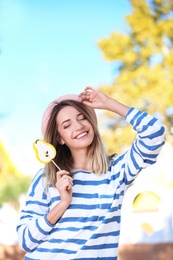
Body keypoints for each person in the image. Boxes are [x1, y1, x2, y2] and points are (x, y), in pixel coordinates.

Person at [16, 86, 165, 260]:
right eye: (67, 125)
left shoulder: (117, 171)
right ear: (60, 138)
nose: (79, 126)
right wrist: (63, 204)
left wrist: (108, 103)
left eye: (82, 118)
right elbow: (25, 240)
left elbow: (154, 133)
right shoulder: (47, 177)